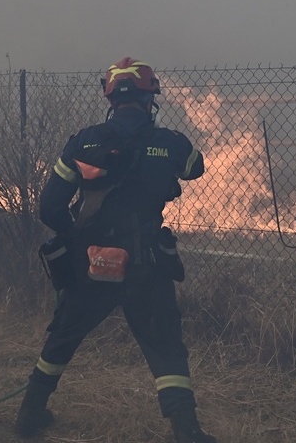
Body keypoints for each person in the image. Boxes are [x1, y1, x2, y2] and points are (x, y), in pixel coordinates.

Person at [15, 57, 216, 443]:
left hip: (91, 263)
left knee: (63, 336)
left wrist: (76, 240)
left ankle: (28, 417)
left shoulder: (82, 142)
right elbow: (195, 168)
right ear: (149, 97)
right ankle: (187, 431)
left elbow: (49, 208)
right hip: (146, 265)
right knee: (165, 347)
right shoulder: (170, 143)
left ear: (110, 100)